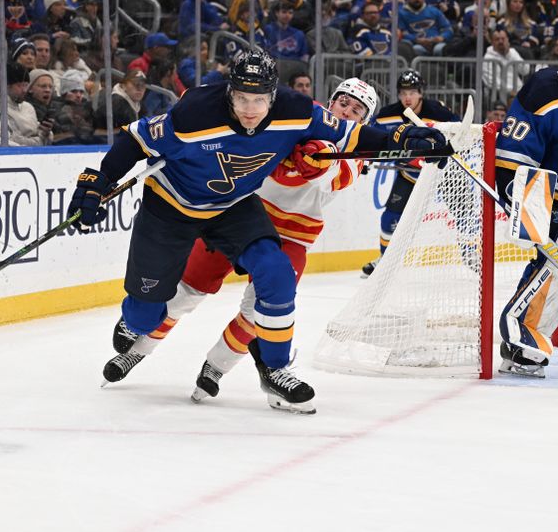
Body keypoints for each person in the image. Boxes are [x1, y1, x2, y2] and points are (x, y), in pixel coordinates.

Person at [68, 50, 446, 411]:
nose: (251, 110)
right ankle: (139, 335)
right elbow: (136, 139)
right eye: (242, 99)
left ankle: (265, 368)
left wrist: (399, 140)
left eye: (260, 100)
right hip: (177, 207)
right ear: (230, 92)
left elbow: (341, 157)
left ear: (273, 96)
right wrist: (98, 178)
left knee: (273, 281)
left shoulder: (301, 115)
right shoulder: (196, 111)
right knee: (166, 304)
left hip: (249, 214)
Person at [104, 78, 379, 411]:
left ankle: (217, 367)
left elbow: (324, 177)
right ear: (331, 102)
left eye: (357, 110)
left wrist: (313, 160)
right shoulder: (303, 118)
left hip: (293, 234)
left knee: (262, 307)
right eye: (343, 103)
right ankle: (138, 350)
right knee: (189, 290)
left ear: (365, 120)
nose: (347, 111)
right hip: (242, 215)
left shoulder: (356, 153)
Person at [361, 69, 460, 277]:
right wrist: (364, 159)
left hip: (442, 173)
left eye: (412, 92)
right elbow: (368, 136)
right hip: (410, 173)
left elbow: (459, 133)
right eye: (403, 92)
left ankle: (472, 252)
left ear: (421, 93)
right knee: (389, 218)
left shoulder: (438, 111)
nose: (408, 97)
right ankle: (385, 260)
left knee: (464, 214)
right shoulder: (387, 114)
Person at [495, 66, 558, 378]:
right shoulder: (545, 88)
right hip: (550, 197)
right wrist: (526, 211)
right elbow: (511, 162)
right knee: (552, 269)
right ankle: (522, 343)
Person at [6, 61, 53, 146]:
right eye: (20, 85)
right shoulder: (0, 107)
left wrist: (46, 133)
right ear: (7, 86)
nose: (24, 90)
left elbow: (43, 134)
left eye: (26, 85)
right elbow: (14, 141)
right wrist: (40, 140)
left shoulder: (28, 107)